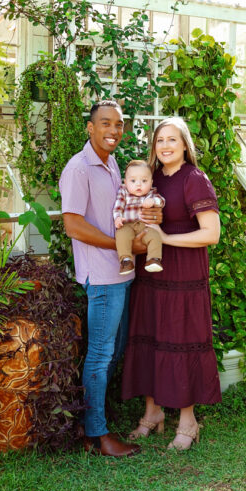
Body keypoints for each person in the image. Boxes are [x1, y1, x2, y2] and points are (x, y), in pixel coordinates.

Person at [60, 99, 162, 458]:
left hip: (122, 273)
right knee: (101, 355)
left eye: (118, 125)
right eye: (106, 124)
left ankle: (91, 422)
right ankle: (97, 435)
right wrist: (124, 246)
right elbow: (73, 224)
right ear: (90, 128)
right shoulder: (79, 168)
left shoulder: (115, 163)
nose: (113, 131)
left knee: (114, 351)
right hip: (102, 277)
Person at [121, 116, 222, 451]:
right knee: (151, 339)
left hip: (184, 275)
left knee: (180, 340)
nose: (164, 146)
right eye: (159, 140)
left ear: (184, 145)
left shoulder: (194, 179)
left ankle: (188, 422)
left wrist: (166, 237)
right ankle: (152, 414)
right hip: (151, 275)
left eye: (172, 140)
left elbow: (212, 233)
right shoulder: (150, 181)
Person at [113, 159, 164, 275]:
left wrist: (153, 201)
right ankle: (126, 261)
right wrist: (117, 218)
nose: (139, 184)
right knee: (121, 235)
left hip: (145, 226)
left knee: (155, 236)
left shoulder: (151, 193)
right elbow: (118, 206)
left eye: (144, 180)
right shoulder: (123, 191)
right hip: (127, 225)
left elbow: (162, 201)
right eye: (133, 180)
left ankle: (153, 259)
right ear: (125, 182)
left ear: (151, 182)